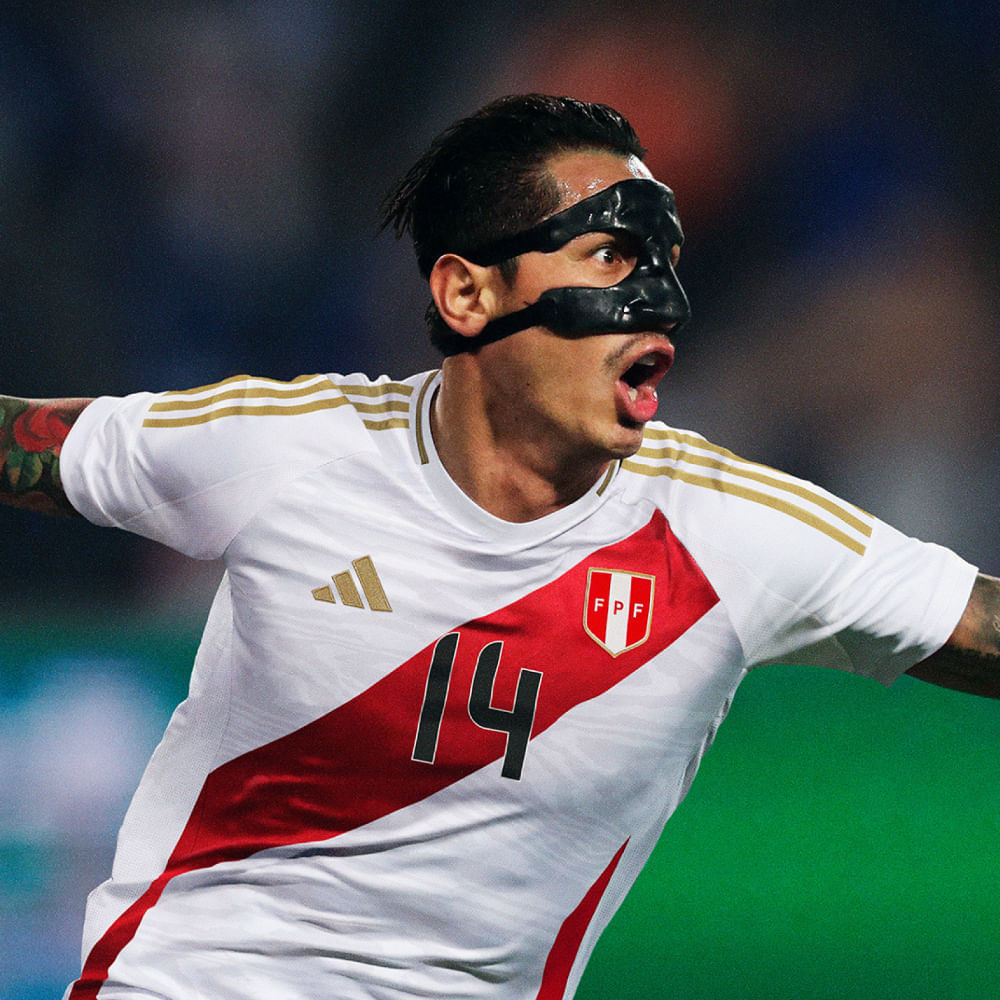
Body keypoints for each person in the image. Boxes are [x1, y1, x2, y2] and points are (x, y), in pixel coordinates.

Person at [3, 94, 997, 1000]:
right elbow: (25, 448)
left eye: (666, 267)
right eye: (612, 257)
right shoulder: (287, 447)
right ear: (466, 294)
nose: (659, 302)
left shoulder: (728, 532)